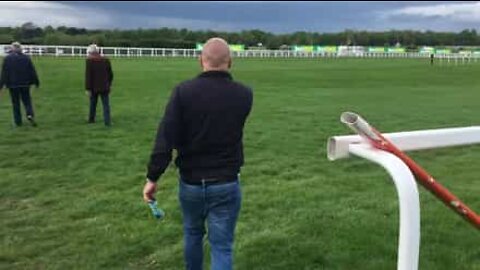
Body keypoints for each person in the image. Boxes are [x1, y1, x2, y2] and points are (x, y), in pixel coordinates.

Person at [143, 37, 253, 270]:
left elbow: (165, 140)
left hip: (191, 182)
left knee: (192, 234)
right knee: (221, 245)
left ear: (200, 60)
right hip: (226, 181)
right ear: (230, 62)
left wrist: (152, 178)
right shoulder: (244, 94)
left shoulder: (183, 92)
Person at [0, 42, 40, 127]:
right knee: (27, 101)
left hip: (13, 85)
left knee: (16, 103)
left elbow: (4, 73)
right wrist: (36, 82)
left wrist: (1, 84)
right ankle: (30, 115)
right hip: (25, 84)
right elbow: (32, 71)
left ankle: (18, 122)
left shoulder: (7, 59)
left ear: (13, 49)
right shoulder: (26, 58)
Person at [85, 44, 113, 126]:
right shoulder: (106, 60)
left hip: (94, 87)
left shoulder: (89, 61)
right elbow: (110, 74)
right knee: (106, 105)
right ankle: (107, 122)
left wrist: (88, 88)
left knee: (93, 104)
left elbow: (88, 76)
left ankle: (91, 119)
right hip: (105, 86)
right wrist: (109, 84)